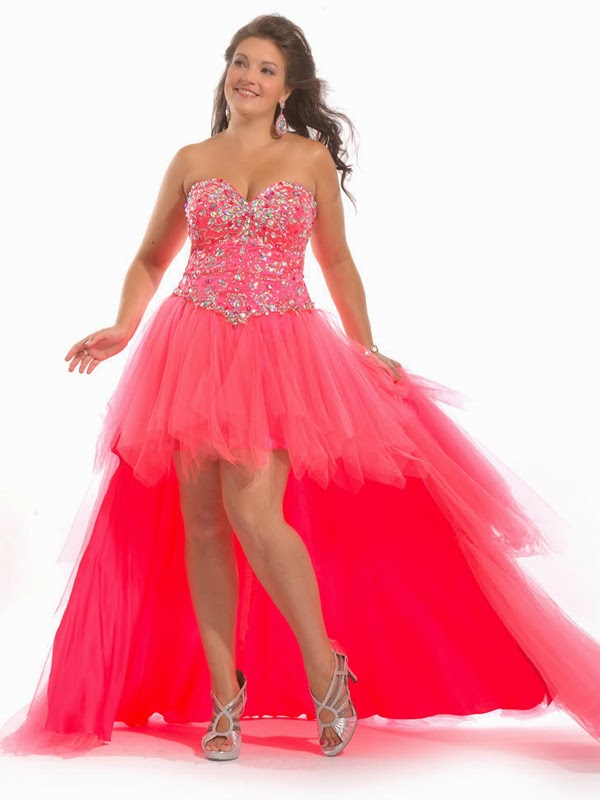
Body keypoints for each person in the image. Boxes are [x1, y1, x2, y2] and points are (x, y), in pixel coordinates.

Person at [3, 12, 600, 763]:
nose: (248, 78)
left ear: (288, 88)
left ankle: (325, 668)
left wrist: (365, 345)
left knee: (256, 513)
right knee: (203, 524)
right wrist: (123, 326)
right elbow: (152, 258)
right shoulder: (191, 158)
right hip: (192, 346)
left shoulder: (309, 158)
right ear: (226, 71)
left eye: (266, 69)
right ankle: (224, 694)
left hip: (279, 350)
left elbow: (337, 261)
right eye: (241, 62)